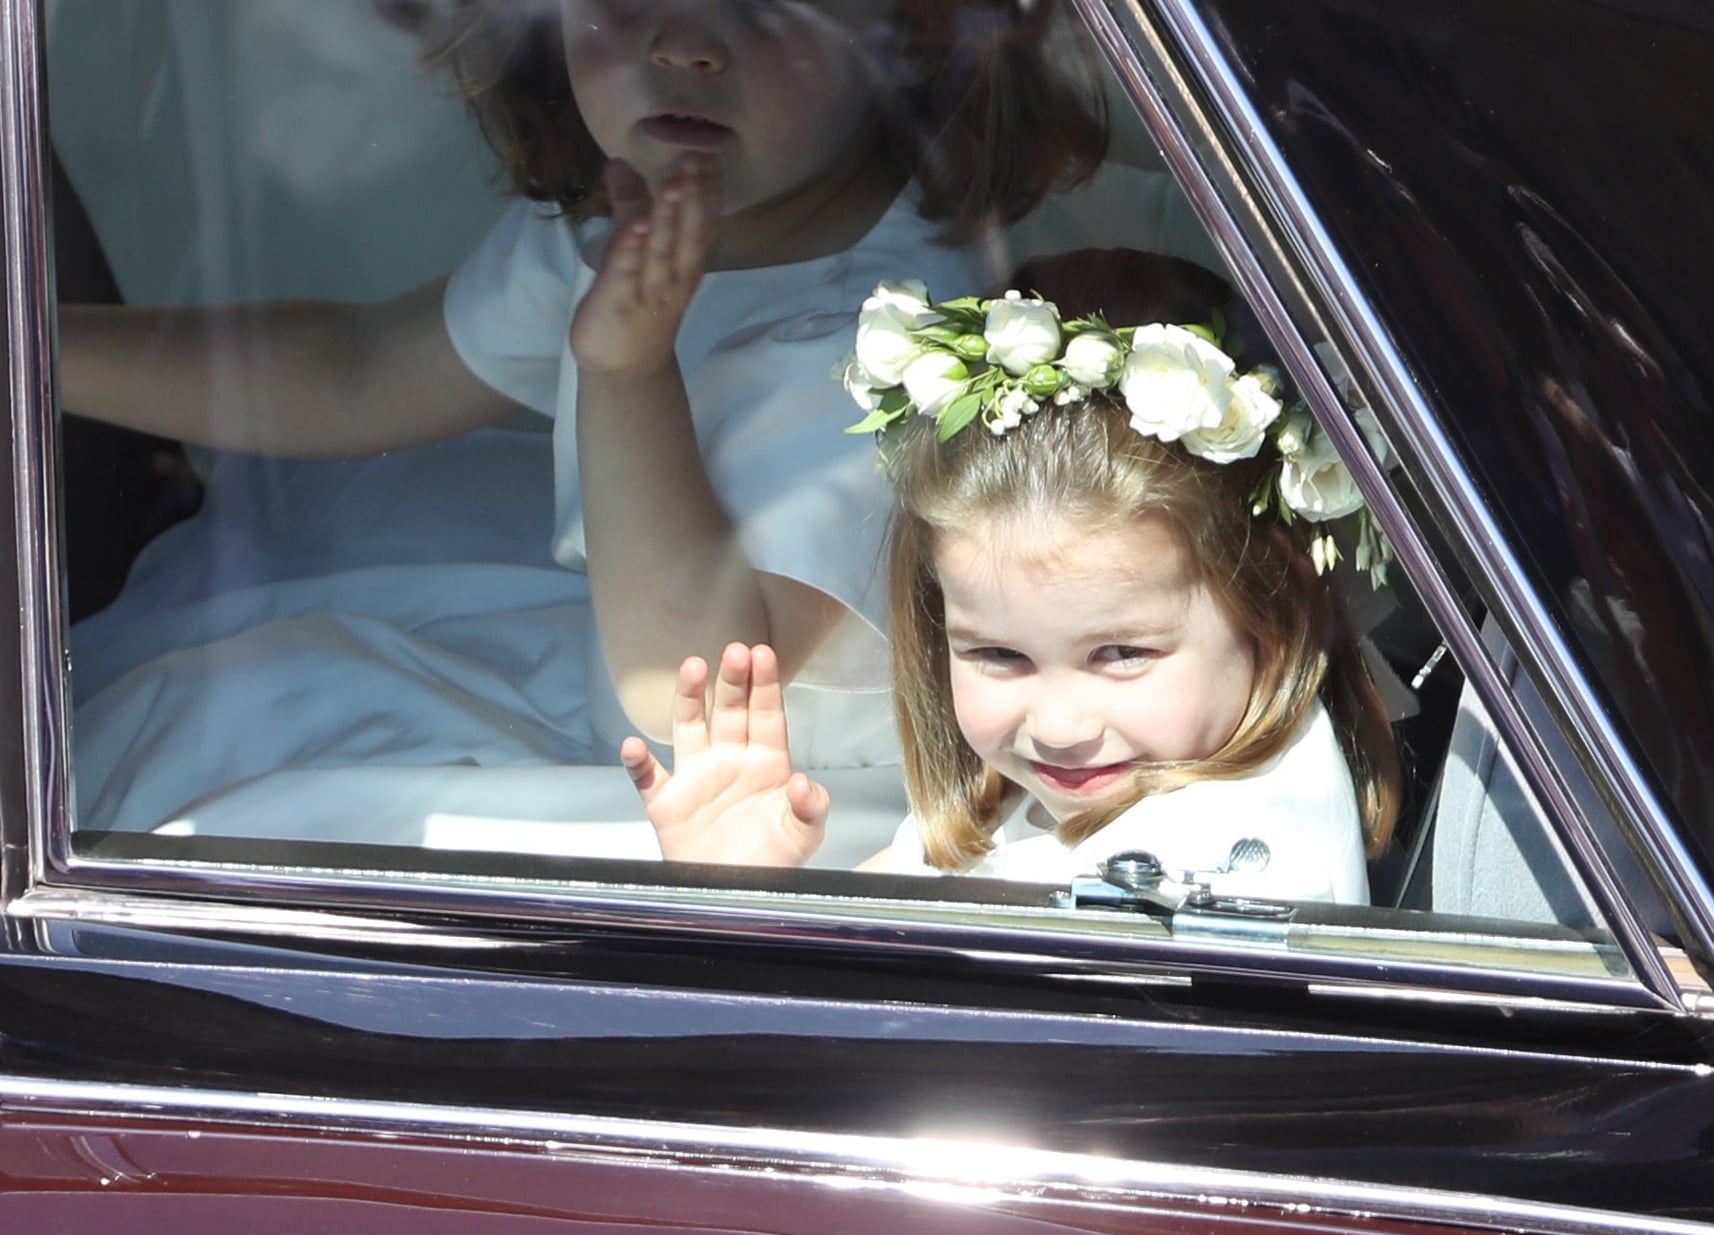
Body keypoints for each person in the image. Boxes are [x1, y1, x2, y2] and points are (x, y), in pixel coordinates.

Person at [55, 0, 1106, 748]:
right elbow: (361, 370)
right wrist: (41, 347)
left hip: (750, 802)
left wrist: (623, 372)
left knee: (212, 748)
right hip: (608, 674)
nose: (683, 40)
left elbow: (697, 692)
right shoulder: (635, 219)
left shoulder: (896, 339)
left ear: (912, 32)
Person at [624, 249, 1402, 902]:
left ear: (1274, 595)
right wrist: (739, 888)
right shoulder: (1122, 787)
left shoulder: (1192, 874)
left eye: (1121, 654)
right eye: (999, 655)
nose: (1060, 727)